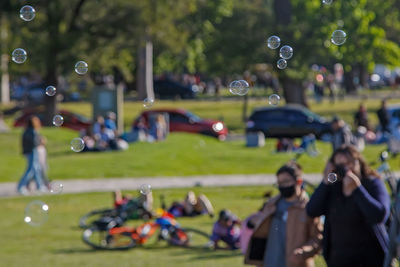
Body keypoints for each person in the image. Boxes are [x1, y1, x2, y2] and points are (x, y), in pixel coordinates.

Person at [306, 145, 390, 267]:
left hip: (371, 258)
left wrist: (357, 189)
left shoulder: (372, 183)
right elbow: (312, 210)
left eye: (349, 163)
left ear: (359, 162)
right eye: (340, 165)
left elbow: (379, 215)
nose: (346, 169)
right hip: (338, 259)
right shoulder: (333, 187)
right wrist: (325, 181)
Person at [245, 163, 322, 267]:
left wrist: (303, 252)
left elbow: (318, 238)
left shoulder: (309, 208)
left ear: (298, 181)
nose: (282, 186)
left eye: (285, 182)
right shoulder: (271, 205)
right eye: (279, 183)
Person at [17, 116, 47, 194]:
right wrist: (41, 141)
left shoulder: (26, 130)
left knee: (36, 169)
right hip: (32, 152)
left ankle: (40, 186)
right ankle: (21, 186)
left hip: (28, 152)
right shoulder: (33, 131)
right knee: (31, 170)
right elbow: (34, 143)